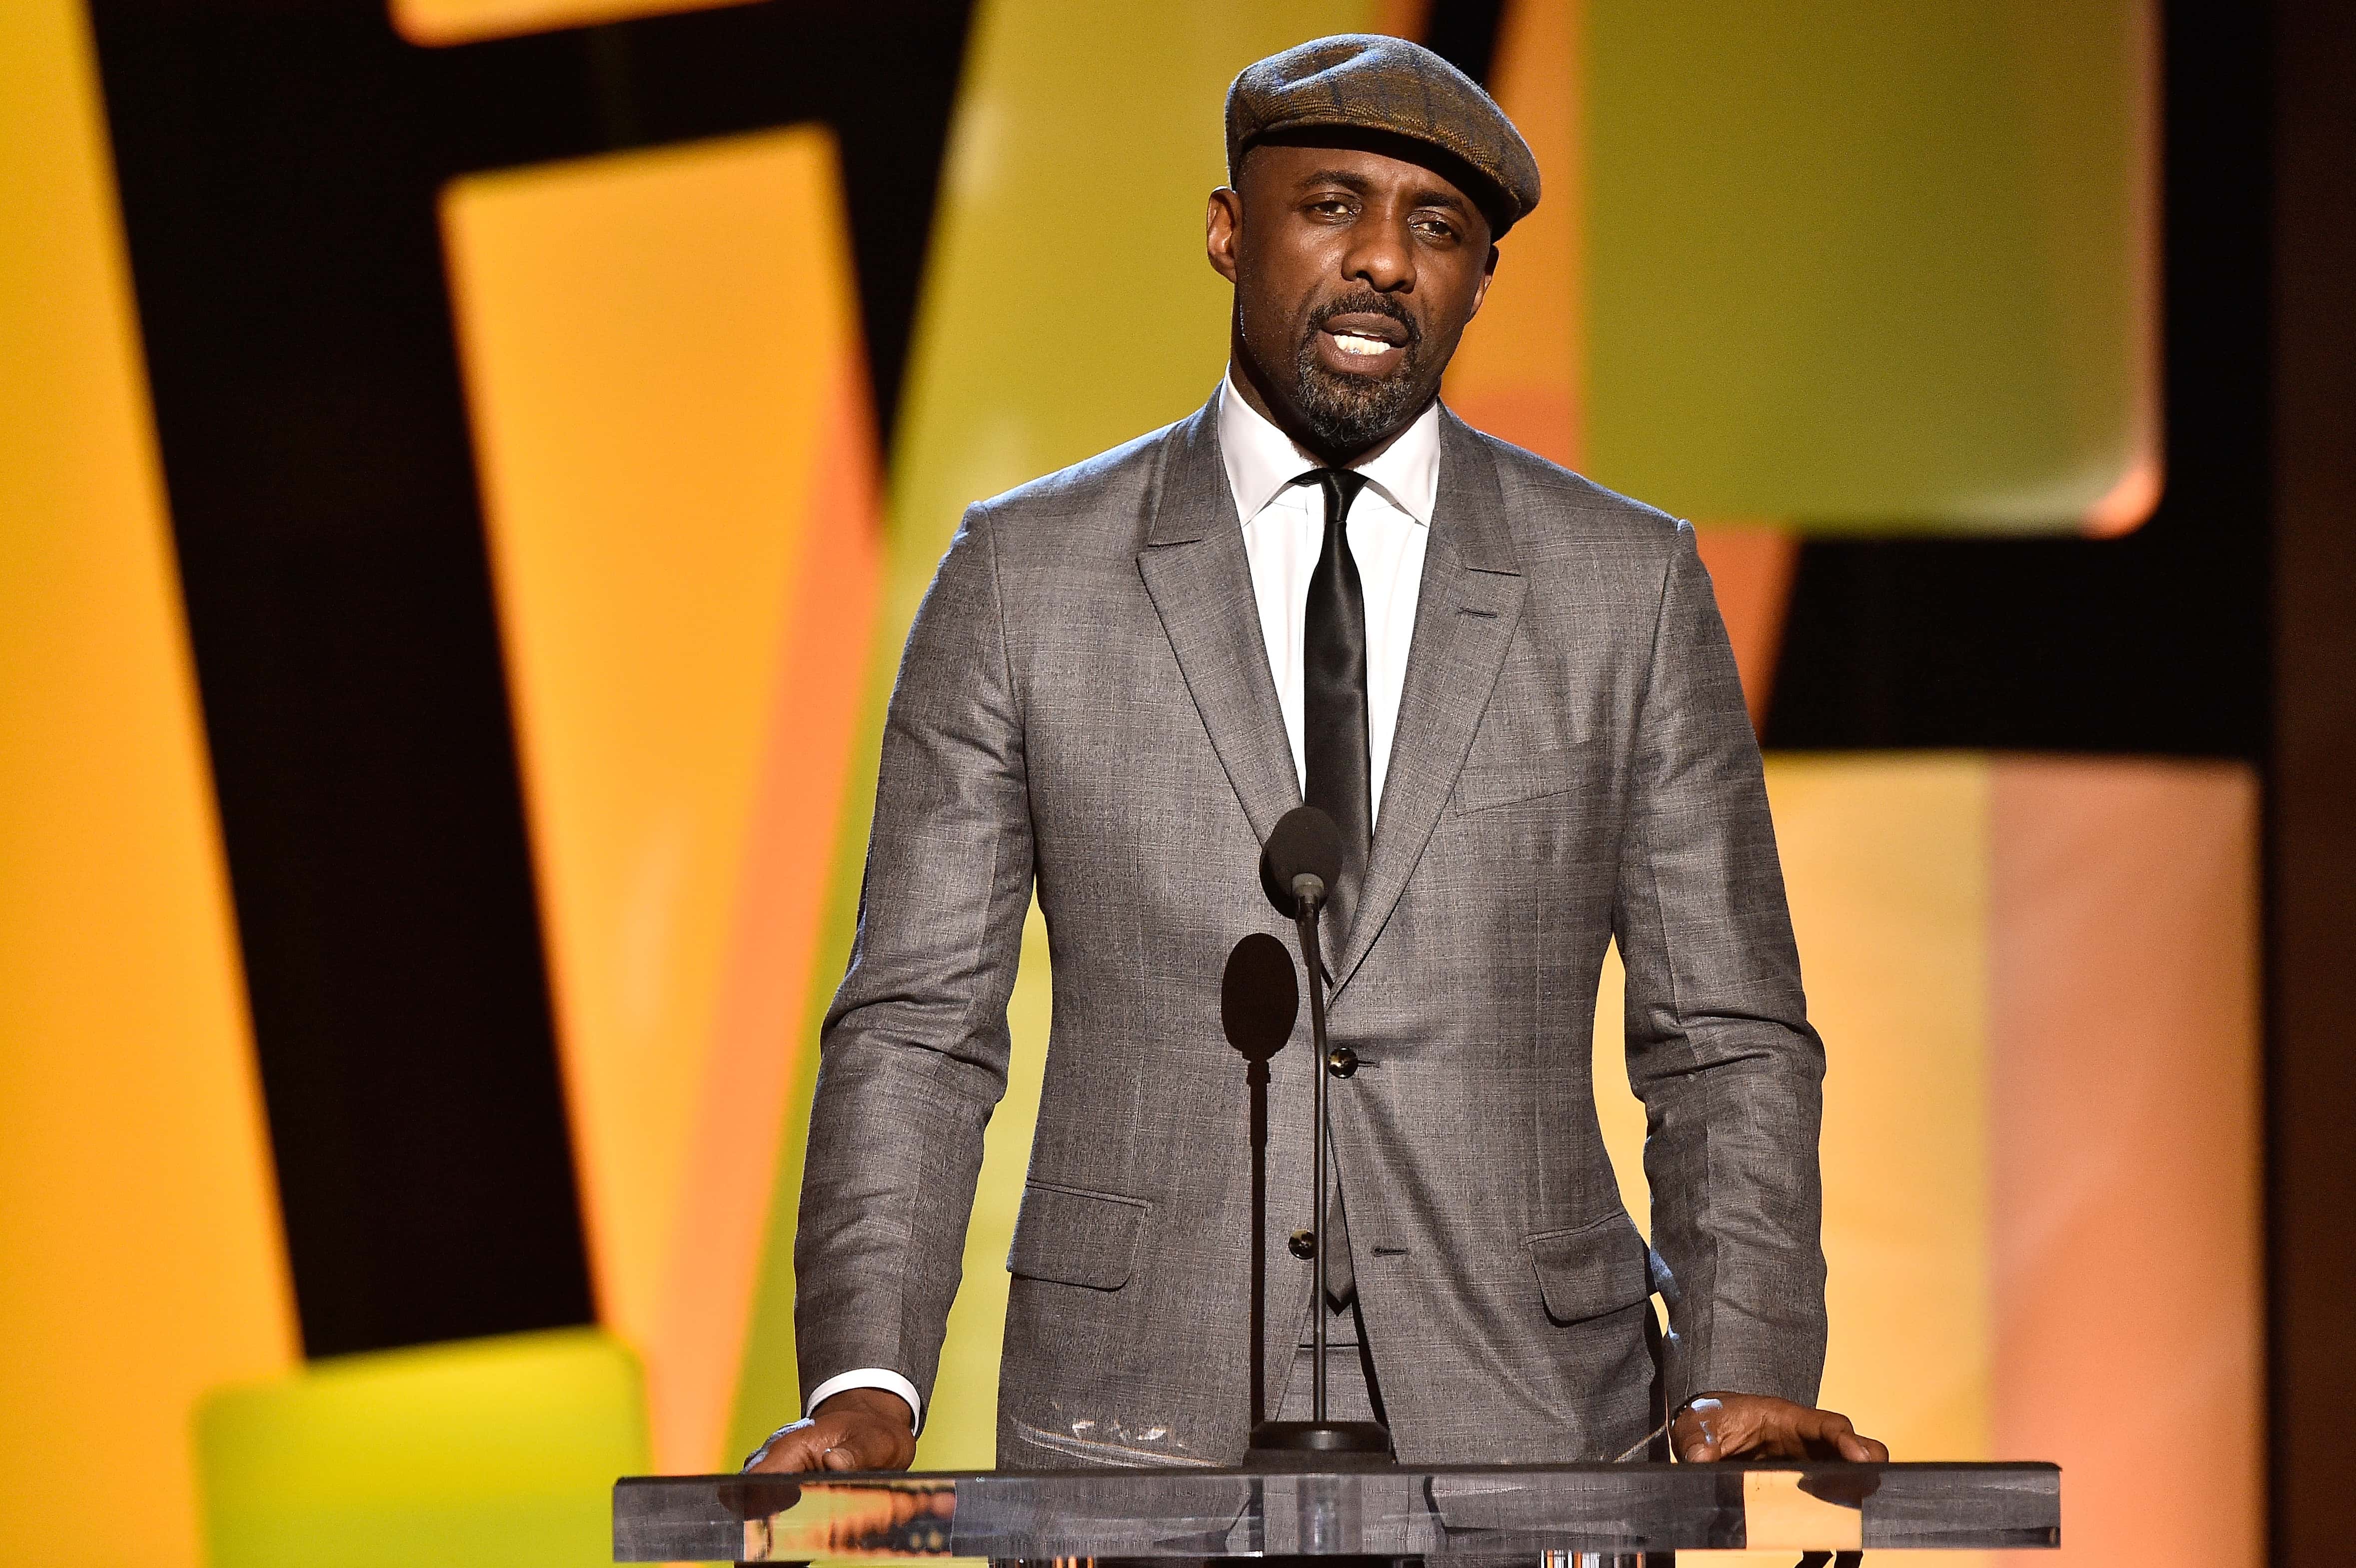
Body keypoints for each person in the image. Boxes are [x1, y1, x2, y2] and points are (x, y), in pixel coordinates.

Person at [750, 34, 1884, 1476]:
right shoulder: (1024, 576)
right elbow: (919, 1018)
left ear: (1478, 279)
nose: (1382, 264)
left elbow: (1722, 1030)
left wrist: (1743, 1362)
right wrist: (866, 1376)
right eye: (1329, 204)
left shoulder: (1625, 584)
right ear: (1229, 233)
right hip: (1136, 1424)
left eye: (1436, 229)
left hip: (1536, 1412)